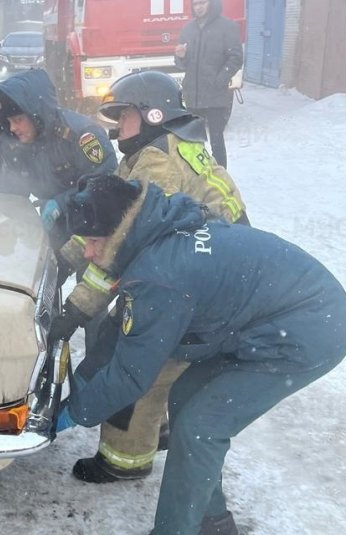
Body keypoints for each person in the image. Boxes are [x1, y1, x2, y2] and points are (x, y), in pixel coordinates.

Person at [57, 174, 346, 535]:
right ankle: (211, 520)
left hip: (307, 330)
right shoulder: (157, 228)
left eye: (92, 241)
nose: (87, 253)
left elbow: (131, 375)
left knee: (202, 427)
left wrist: (71, 412)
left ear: (118, 231)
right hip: (281, 312)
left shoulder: (159, 276)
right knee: (186, 394)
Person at [53, 70, 249, 484]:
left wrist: (74, 311)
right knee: (158, 354)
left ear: (152, 114)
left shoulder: (158, 161)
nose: (117, 127)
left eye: (123, 116)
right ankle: (155, 428)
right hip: (211, 268)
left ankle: (124, 460)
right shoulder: (154, 150)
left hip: (205, 282)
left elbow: (121, 246)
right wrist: (65, 255)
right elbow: (106, 216)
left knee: (137, 353)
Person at [0, 68, 116, 247]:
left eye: (17, 120)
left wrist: (62, 204)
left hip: (87, 222)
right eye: (8, 122)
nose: (12, 128)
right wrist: (0, 210)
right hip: (42, 225)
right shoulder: (2, 136)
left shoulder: (81, 135)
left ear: (37, 115)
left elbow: (105, 184)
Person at [175, 0, 243, 168]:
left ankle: (222, 176)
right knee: (194, 142)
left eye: (202, 3)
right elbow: (181, 64)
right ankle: (198, 177)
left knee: (216, 141)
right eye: (195, 4)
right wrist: (181, 56)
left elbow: (236, 58)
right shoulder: (188, 29)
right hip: (193, 96)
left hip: (216, 97)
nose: (198, 7)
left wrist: (219, 81)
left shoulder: (227, 27)